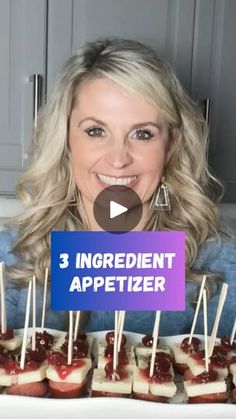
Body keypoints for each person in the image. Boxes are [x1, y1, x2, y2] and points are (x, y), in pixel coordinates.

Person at [0, 38, 235, 336]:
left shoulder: (221, 268)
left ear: (171, 145)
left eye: (142, 134)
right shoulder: (10, 258)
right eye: (96, 131)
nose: (118, 159)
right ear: (66, 140)